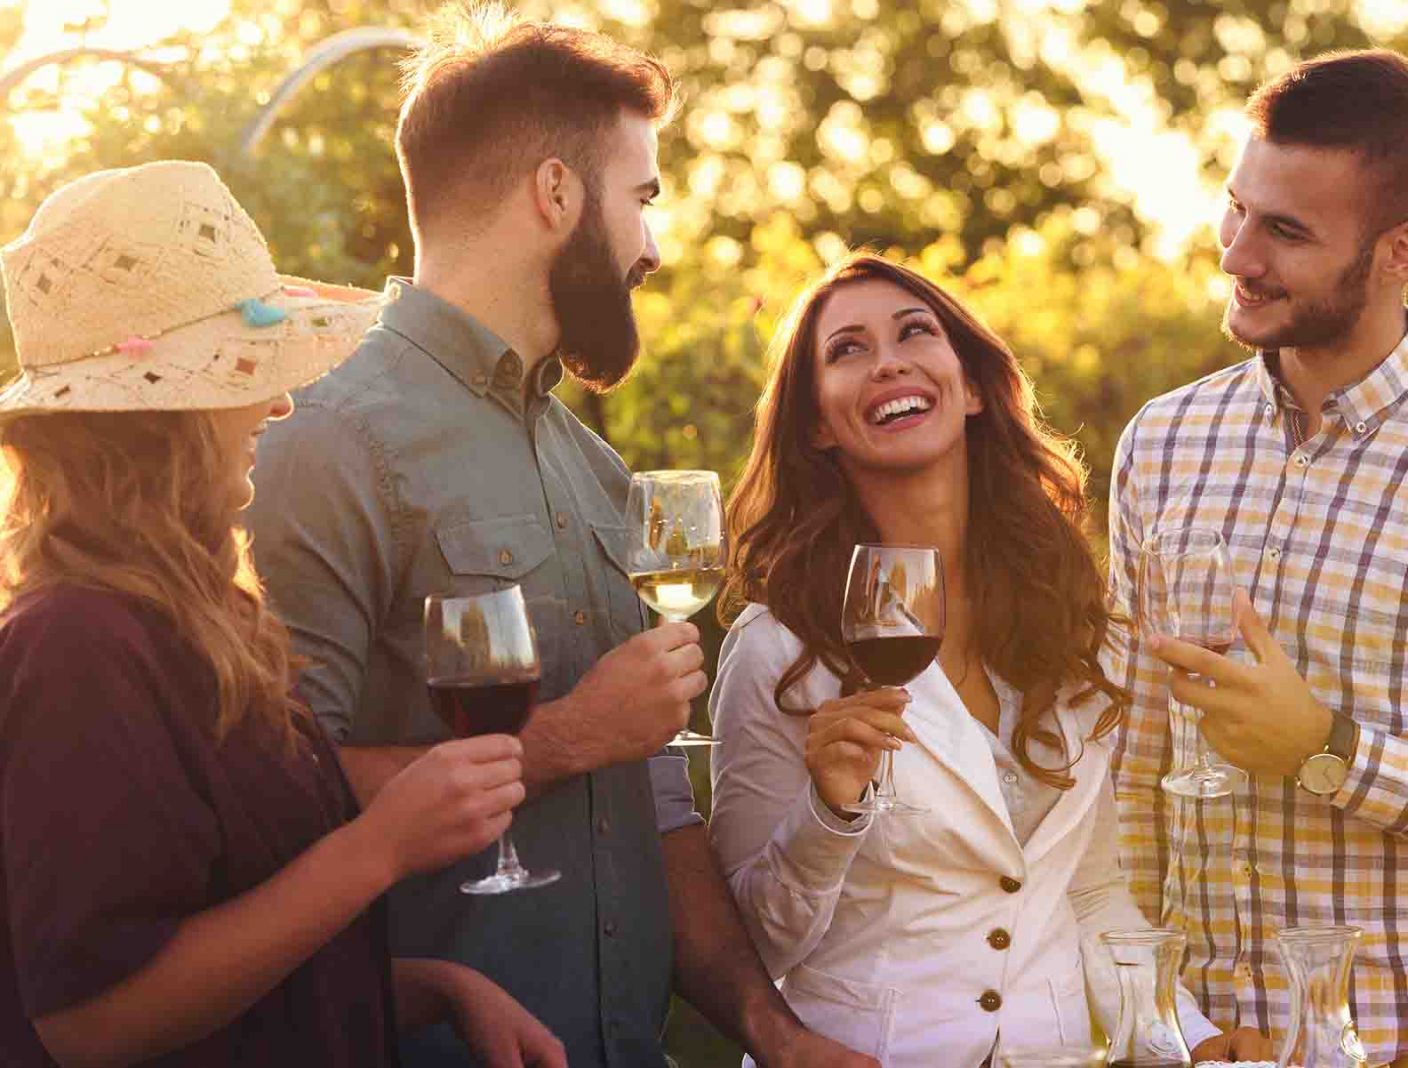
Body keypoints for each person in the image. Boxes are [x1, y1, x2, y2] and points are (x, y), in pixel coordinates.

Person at [243, 7, 875, 1067]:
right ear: (555, 193)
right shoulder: (324, 436)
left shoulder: (598, 475)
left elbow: (657, 805)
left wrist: (773, 1032)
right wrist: (566, 737)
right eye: (642, 199)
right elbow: (271, 795)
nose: (655, 248)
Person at [0, 160, 565, 1067]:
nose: (280, 399)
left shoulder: (204, 617)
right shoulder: (74, 644)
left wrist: (436, 989)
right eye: (241, 371)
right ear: (155, 419)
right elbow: (90, 1023)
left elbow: (249, 951)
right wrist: (378, 850)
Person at [1109, 49, 1408, 1068]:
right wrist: (1168, 1024)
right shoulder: (1161, 440)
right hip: (1199, 1045)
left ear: (1399, 250)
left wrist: (1328, 751)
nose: (1237, 255)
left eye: (1285, 232)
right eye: (1236, 210)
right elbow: (1133, 763)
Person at [708, 252, 1227, 1066]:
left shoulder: (1075, 625)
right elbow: (753, 948)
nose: (888, 360)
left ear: (975, 387)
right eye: (847, 350)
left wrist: (1191, 1040)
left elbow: (1088, 895)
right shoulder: (779, 651)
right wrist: (828, 812)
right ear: (815, 422)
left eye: (915, 332)